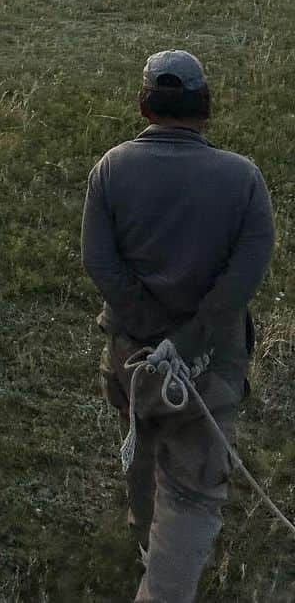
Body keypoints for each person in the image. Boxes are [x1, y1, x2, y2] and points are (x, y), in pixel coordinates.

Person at [81, 50, 275, 603]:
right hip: (209, 363)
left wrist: (146, 334)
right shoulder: (244, 180)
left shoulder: (111, 168)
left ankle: (147, 541)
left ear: (145, 104)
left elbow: (100, 262)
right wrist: (185, 342)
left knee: (143, 441)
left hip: (132, 360)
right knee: (191, 492)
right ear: (205, 107)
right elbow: (241, 281)